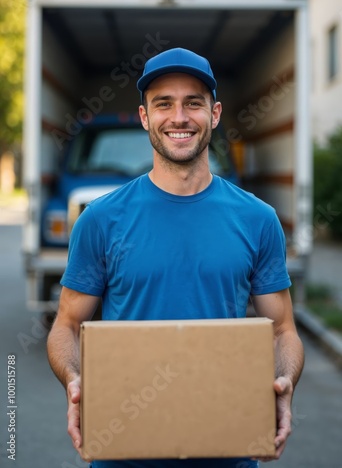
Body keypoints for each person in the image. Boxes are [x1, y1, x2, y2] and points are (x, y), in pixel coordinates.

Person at [47, 48, 304, 468]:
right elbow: (67, 326)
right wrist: (76, 381)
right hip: (123, 451)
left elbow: (283, 331)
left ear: (215, 114)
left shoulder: (258, 219)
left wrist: (284, 382)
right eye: (163, 103)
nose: (179, 117)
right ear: (146, 117)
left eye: (193, 103)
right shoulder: (101, 219)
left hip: (229, 448)